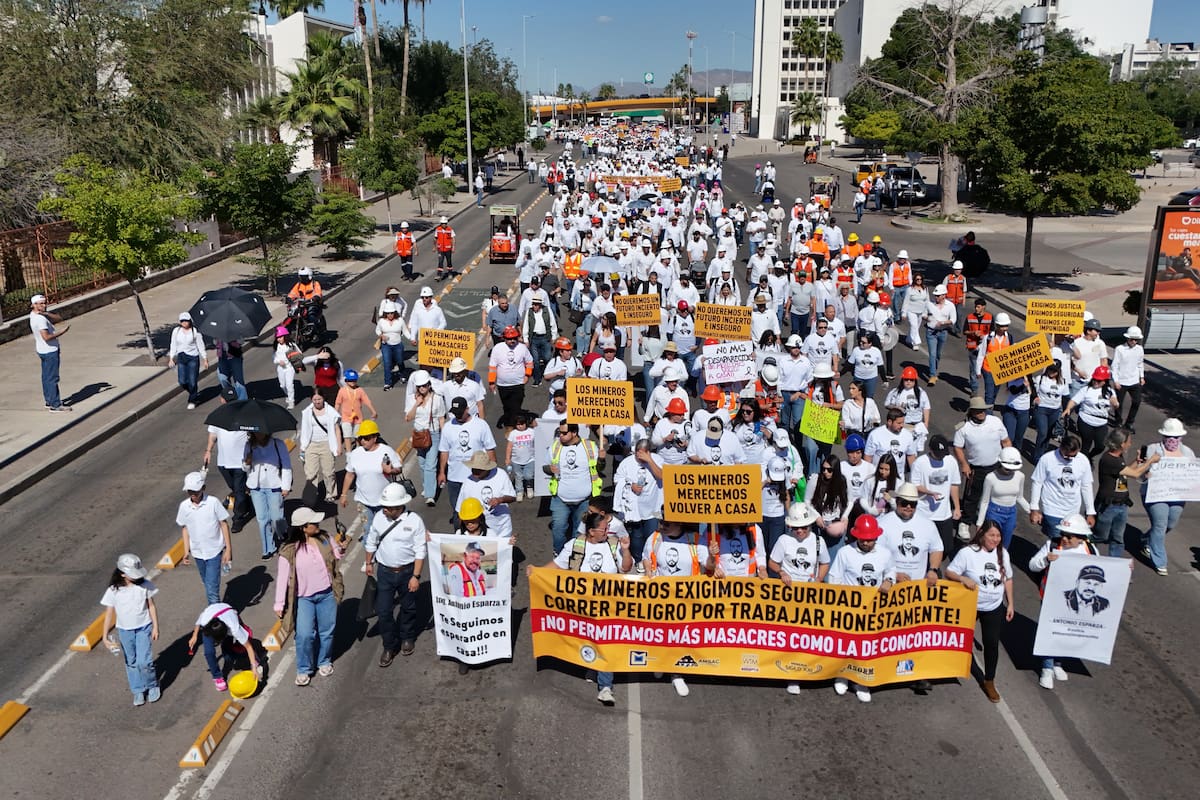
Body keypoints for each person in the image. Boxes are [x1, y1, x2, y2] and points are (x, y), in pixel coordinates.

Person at [534, 511, 632, 706]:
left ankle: (605, 686)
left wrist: (627, 550)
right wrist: (536, 572)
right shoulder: (575, 545)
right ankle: (592, 664)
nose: (608, 532)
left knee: (606, 641)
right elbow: (557, 565)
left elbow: (626, 568)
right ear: (591, 531)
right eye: (604, 529)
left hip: (608, 607)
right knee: (587, 639)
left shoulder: (614, 545)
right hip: (581, 608)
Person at [827, 515, 894, 702]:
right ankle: (842, 675)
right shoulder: (845, 553)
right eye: (863, 539)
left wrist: (889, 581)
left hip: (873, 611)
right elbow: (834, 578)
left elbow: (890, 572)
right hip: (849, 609)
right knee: (846, 644)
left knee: (867, 645)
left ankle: (862, 681)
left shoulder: (885, 553)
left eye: (870, 539)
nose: (866, 542)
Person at [945, 519, 1014, 703]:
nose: (995, 539)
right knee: (958, 637)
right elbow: (949, 572)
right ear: (981, 534)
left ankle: (989, 680)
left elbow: (1008, 579)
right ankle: (947, 666)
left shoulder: (1003, 554)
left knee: (991, 644)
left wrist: (1011, 603)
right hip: (970, 605)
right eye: (991, 535)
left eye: (998, 536)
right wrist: (962, 579)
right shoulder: (968, 553)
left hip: (993, 606)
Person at [274, 507, 345, 685]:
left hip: (327, 594)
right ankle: (304, 669)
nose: (317, 524)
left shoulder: (324, 538)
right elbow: (283, 579)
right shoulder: (289, 550)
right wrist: (279, 604)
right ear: (303, 527)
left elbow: (336, 553)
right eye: (313, 523)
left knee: (326, 632)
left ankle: (324, 661)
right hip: (304, 599)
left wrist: (340, 549)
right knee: (305, 635)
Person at [1028, 514, 1098, 690]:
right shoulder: (1052, 544)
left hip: (1076, 600)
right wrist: (1046, 560)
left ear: (1080, 538)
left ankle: (1058, 663)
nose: (1065, 539)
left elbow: (1104, 570)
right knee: (1050, 631)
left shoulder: (1090, 550)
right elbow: (1032, 565)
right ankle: (1047, 668)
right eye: (1064, 534)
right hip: (1052, 597)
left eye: (1069, 536)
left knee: (1067, 632)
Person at [365, 483, 428, 666]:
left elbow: (420, 550)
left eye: (388, 507)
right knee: (384, 611)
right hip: (384, 572)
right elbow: (371, 541)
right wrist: (369, 562)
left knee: (408, 607)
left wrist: (415, 576)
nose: (384, 510)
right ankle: (389, 645)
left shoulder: (415, 521)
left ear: (399, 507)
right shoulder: (378, 518)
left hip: (407, 572)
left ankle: (407, 637)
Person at [100, 554, 160, 706]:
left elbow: (151, 606)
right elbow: (109, 614)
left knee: (144, 661)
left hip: (143, 627)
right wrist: (105, 636)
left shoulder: (145, 585)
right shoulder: (113, 590)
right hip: (125, 631)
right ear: (122, 573)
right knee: (131, 661)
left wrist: (155, 627)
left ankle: (152, 685)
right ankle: (138, 689)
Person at [1138, 418, 1193, 576]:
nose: (1173, 440)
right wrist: (1146, 473)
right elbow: (1140, 474)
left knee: (1171, 522)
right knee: (1160, 524)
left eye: (1176, 437)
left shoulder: (1187, 453)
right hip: (1156, 495)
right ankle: (1160, 560)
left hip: (1177, 495)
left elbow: (1192, 475)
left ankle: (1146, 539)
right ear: (1163, 436)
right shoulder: (1152, 450)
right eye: (1170, 437)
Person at [953, 397, 1011, 540]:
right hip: (977, 468)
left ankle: (991, 522)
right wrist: (964, 464)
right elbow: (958, 447)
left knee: (995, 496)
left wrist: (1009, 459)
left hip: (996, 466)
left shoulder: (996, 421)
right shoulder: (964, 428)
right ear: (972, 412)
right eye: (978, 411)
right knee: (972, 497)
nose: (981, 413)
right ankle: (965, 522)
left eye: (983, 410)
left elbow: (1006, 441)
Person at [546, 423, 603, 553]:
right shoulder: (555, 447)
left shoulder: (589, 447)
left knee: (579, 531)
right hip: (560, 499)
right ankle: (559, 554)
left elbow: (599, 468)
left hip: (584, 500)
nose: (560, 436)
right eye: (560, 432)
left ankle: (575, 556)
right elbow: (545, 467)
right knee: (558, 529)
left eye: (564, 433)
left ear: (574, 433)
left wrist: (602, 459)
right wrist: (549, 469)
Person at [177, 471, 232, 605]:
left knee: (212, 590)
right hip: (197, 552)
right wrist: (186, 552)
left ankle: (216, 618)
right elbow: (185, 528)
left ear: (203, 488)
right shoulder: (184, 507)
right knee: (207, 583)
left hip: (214, 551)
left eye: (195, 491)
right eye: (190, 492)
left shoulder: (213, 502)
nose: (193, 495)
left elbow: (223, 524)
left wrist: (228, 549)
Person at [1029, 433, 1095, 542]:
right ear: (1060, 448)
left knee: (1070, 545)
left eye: (1074, 456)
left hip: (1073, 512)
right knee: (1057, 543)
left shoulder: (1083, 460)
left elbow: (1086, 486)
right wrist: (1034, 508)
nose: (1069, 459)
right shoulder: (1047, 459)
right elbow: (1037, 482)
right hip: (1052, 510)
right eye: (1066, 456)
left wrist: (1090, 512)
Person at [340, 419, 402, 533]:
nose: (363, 441)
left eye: (367, 438)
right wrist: (343, 494)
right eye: (360, 438)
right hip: (363, 501)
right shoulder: (356, 454)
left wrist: (391, 470)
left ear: (375, 437)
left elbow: (399, 468)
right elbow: (349, 475)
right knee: (368, 531)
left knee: (386, 531)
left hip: (384, 502)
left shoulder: (386, 451)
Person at [438, 397, 497, 512]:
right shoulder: (448, 427)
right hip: (455, 478)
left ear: (467, 409)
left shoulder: (481, 425)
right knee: (458, 510)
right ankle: (459, 529)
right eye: (455, 413)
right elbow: (444, 451)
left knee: (478, 510)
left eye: (460, 412)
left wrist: (493, 472)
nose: (458, 416)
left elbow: (490, 449)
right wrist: (441, 472)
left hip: (476, 476)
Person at [188, 602, 262, 692]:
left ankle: (250, 657)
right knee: (209, 652)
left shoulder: (234, 628)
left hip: (227, 613)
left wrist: (253, 667)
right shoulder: (206, 622)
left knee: (228, 652)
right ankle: (217, 677)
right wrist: (194, 635)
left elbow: (248, 646)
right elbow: (200, 620)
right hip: (212, 619)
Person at [205, 391, 252, 532]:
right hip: (223, 463)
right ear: (222, 400)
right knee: (236, 488)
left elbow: (252, 433)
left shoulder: (244, 415)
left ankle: (238, 519)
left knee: (238, 490)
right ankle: (246, 501)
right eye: (228, 400)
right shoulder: (217, 416)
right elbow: (213, 435)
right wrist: (208, 451)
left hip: (240, 463)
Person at [910, 435, 963, 554]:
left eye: (942, 454)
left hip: (944, 514)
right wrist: (929, 492)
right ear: (930, 449)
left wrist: (957, 507)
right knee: (924, 547)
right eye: (937, 454)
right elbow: (915, 485)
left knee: (946, 547)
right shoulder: (920, 463)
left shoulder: (951, 461)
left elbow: (954, 484)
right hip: (924, 514)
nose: (940, 457)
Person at [245, 431, 292, 559]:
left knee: (277, 517)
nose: (258, 435)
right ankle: (268, 549)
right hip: (256, 487)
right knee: (262, 519)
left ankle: (283, 536)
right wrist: (246, 462)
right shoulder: (249, 446)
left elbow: (286, 465)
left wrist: (286, 486)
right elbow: (245, 467)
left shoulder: (278, 444)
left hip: (274, 486)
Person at [406, 371, 446, 505]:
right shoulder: (412, 398)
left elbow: (441, 418)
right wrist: (416, 404)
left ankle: (430, 495)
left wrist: (445, 437)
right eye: (419, 386)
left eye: (424, 385)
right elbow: (408, 418)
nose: (421, 388)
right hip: (418, 434)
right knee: (422, 464)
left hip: (433, 434)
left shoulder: (437, 399)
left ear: (429, 385)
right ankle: (427, 486)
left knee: (430, 465)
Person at [1064, 366, 1118, 459]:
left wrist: (1115, 404)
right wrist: (1068, 408)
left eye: (1099, 381)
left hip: (1101, 422)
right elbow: (1074, 401)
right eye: (1095, 379)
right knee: (1086, 444)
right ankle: (1083, 463)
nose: (1096, 382)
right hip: (1086, 420)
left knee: (1101, 446)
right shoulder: (1086, 390)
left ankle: (1090, 456)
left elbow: (1115, 403)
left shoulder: (1109, 391)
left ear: (1104, 381)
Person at [29, 294, 71, 412]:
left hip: (43, 350)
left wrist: (46, 313)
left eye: (45, 303)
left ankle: (49, 400)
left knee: (46, 377)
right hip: (49, 351)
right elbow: (46, 337)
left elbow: (59, 318)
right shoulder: (40, 320)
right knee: (52, 378)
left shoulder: (36, 315)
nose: (44, 305)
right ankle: (55, 404)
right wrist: (62, 332)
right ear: (34, 305)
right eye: (41, 303)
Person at [299, 390, 341, 502]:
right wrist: (303, 446)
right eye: (315, 400)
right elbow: (304, 430)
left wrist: (338, 446)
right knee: (311, 473)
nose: (317, 402)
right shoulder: (307, 412)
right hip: (311, 445)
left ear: (323, 399)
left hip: (326, 444)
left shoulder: (330, 412)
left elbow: (337, 429)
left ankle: (330, 494)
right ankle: (310, 497)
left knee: (328, 472)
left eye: (319, 399)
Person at [488, 326, 533, 428]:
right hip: (502, 385)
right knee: (507, 406)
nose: (512, 341)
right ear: (504, 338)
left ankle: (513, 427)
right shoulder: (497, 348)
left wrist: (527, 375)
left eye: (514, 338)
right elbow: (492, 366)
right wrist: (491, 382)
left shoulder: (522, 348)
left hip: (518, 383)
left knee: (516, 407)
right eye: (509, 339)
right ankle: (509, 422)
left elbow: (529, 362)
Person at [168, 311, 208, 410]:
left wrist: (205, 359)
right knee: (182, 381)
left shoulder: (195, 332)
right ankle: (193, 392)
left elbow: (200, 346)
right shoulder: (176, 331)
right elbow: (173, 344)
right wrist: (171, 358)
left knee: (192, 381)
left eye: (186, 321)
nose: (184, 323)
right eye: (182, 321)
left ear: (190, 321)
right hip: (181, 357)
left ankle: (192, 400)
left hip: (193, 357)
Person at [1031, 361, 1068, 462]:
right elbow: (1030, 383)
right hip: (1041, 408)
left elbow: (1065, 397)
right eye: (1050, 369)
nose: (1052, 372)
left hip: (1055, 410)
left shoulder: (1063, 381)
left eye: (1054, 371)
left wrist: (1066, 411)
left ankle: (1044, 453)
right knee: (1042, 432)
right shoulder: (1041, 378)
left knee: (1048, 433)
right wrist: (1034, 397)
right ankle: (1037, 457)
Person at [335, 369, 378, 455]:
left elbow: (367, 401)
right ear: (346, 381)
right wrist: (335, 415)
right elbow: (337, 403)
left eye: (354, 380)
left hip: (358, 418)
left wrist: (373, 411)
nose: (352, 382)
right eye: (350, 380)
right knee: (347, 436)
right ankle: (349, 453)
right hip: (346, 417)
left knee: (358, 435)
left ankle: (359, 450)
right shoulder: (342, 391)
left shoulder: (360, 390)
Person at [1110, 326, 1145, 431]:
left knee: (1137, 401)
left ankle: (1129, 422)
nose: (1134, 342)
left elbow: (1140, 364)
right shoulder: (1119, 349)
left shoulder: (1140, 349)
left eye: (1136, 340)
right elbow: (1114, 366)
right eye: (1132, 339)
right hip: (1122, 381)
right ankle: (1118, 421)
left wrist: (1141, 376)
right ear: (1127, 339)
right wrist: (1115, 380)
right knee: (1118, 403)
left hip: (1134, 380)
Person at [376, 301, 411, 391]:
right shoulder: (381, 321)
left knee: (399, 361)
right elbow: (377, 330)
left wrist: (411, 339)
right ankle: (388, 383)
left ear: (395, 312)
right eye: (388, 313)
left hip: (397, 345)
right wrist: (381, 336)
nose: (390, 315)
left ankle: (403, 374)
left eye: (391, 313)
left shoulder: (400, 321)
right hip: (386, 346)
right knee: (387, 363)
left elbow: (405, 331)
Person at [505, 413, 536, 501]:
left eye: (522, 424)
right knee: (518, 476)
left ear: (526, 423)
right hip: (516, 460)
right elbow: (509, 447)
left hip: (530, 459)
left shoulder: (532, 432)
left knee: (528, 476)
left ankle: (529, 488)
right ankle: (519, 491)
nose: (520, 426)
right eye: (518, 424)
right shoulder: (513, 434)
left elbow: (538, 441)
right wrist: (507, 458)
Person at [434, 216, 456, 281]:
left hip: (448, 249)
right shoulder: (438, 229)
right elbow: (435, 238)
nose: (444, 225)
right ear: (441, 223)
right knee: (440, 261)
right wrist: (434, 247)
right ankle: (439, 274)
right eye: (443, 223)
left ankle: (450, 273)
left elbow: (453, 239)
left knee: (449, 261)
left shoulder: (450, 230)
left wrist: (453, 247)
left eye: (445, 223)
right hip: (440, 249)